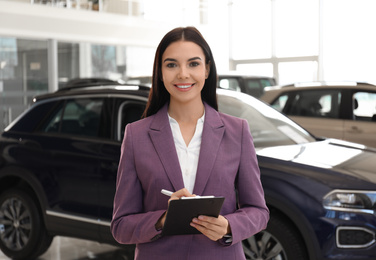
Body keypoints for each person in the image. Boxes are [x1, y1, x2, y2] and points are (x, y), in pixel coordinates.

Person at [111, 26, 269, 260]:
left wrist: (228, 225)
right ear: (160, 72)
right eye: (172, 64)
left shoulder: (238, 132)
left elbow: (259, 212)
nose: (183, 74)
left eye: (193, 64)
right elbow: (121, 226)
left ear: (206, 69)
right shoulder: (136, 135)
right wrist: (164, 219)